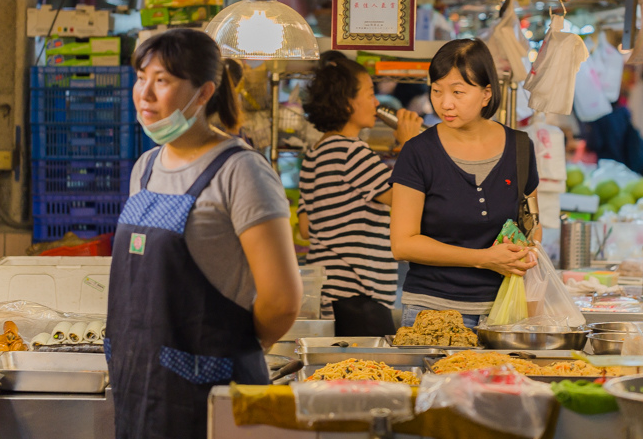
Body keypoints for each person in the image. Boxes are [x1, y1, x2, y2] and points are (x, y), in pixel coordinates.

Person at [106, 29, 302, 439]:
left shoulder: (240, 171)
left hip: (213, 392)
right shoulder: (146, 168)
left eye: (163, 81)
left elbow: (282, 301)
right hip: (138, 389)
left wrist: (229, 346)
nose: (145, 94)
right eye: (141, 77)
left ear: (204, 92)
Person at [390, 39, 539, 328]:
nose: (445, 103)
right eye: (436, 91)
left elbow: (532, 223)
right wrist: (483, 258)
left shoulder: (521, 148)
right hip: (431, 314)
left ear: (486, 94)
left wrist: (526, 252)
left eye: (458, 92)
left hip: (504, 314)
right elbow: (403, 244)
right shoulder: (418, 152)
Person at [298, 51, 422, 336]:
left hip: (328, 295)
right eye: (369, 93)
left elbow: (306, 228)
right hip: (359, 294)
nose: (376, 102)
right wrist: (409, 145)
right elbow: (403, 198)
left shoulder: (313, 154)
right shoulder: (351, 151)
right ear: (347, 103)